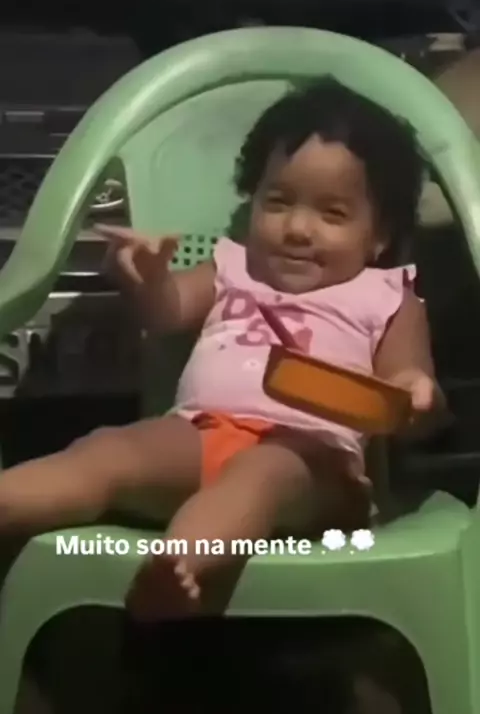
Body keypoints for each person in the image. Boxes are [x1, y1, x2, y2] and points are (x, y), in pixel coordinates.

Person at [0, 77, 445, 621]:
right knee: (109, 450)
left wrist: (414, 394)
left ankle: (178, 569)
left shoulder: (386, 294)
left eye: (332, 214)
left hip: (313, 464)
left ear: (379, 236)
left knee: (261, 475)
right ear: (252, 199)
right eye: (278, 202)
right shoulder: (233, 266)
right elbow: (167, 312)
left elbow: (410, 383)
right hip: (203, 433)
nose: (297, 228)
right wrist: (149, 278)